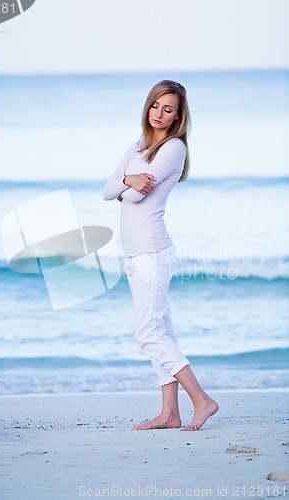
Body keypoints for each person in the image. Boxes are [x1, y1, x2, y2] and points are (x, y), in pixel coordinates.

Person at [103, 80, 219, 431]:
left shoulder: (173, 150)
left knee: (148, 333)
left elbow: (134, 198)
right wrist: (129, 178)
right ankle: (170, 412)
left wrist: (128, 185)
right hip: (136, 254)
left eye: (168, 109)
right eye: (156, 105)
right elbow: (109, 191)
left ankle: (202, 400)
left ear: (178, 116)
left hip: (153, 253)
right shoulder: (136, 146)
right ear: (148, 106)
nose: (159, 114)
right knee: (160, 331)